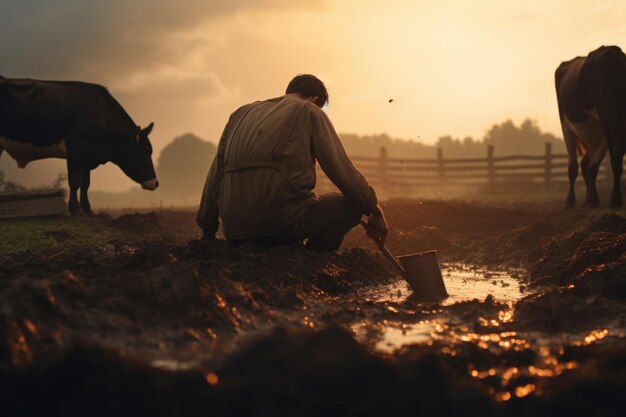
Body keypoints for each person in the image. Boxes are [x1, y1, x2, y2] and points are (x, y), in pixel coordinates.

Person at [196, 74, 388, 250]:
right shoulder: (311, 112)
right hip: (280, 225)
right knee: (351, 205)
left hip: (235, 232)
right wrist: (373, 209)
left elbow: (215, 174)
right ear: (315, 100)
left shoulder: (239, 115)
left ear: (290, 92)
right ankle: (314, 259)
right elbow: (341, 170)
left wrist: (207, 228)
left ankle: (287, 248)